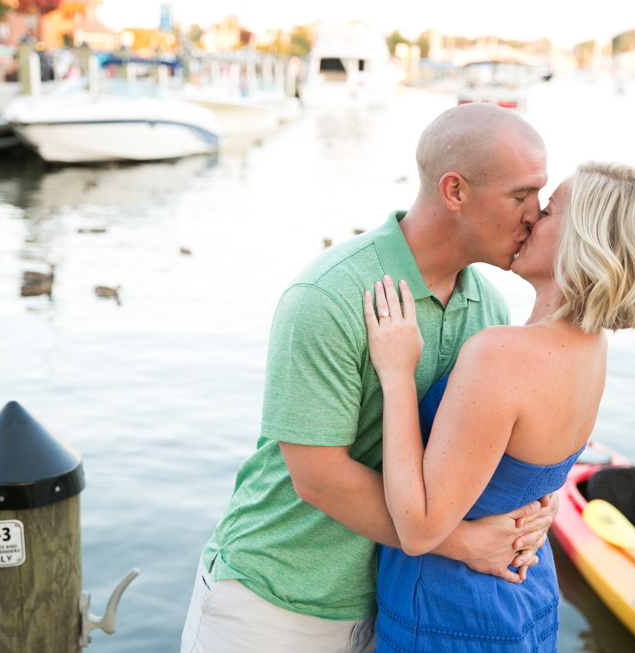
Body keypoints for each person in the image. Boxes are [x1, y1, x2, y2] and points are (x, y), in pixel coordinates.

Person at [181, 104, 560, 653]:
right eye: (520, 196)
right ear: (455, 191)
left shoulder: (491, 310)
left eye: (541, 196)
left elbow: (479, 457)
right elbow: (317, 475)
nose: (536, 215)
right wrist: (465, 544)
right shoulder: (330, 296)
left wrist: (534, 507)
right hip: (274, 604)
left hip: (392, 610)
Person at [365, 162, 635, 652]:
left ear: (584, 242)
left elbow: (419, 528)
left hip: (449, 614)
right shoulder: (591, 348)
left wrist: (396, 375)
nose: (531, 216)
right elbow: (531, 467)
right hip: (526, 594)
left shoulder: (502, 354)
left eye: (550, 209)